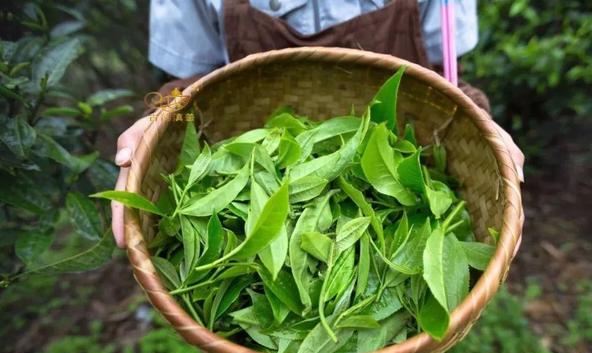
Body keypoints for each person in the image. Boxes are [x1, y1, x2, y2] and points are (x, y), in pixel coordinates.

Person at [111, 0, 524, 248]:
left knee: (396, 330)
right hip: (252, 157)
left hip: (399, 157)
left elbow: (445, 77)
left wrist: (475, 118)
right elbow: (190, 93)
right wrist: (161, 117)